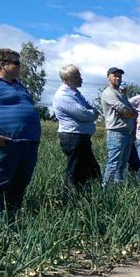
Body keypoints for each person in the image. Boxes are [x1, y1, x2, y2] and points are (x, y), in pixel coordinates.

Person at [0, 48, 41, 224]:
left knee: (20, 182)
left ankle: (12, 219)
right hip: (4, 143)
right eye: (17, 63)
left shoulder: (19, 85)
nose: (20, 66)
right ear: (3, 65)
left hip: (28, 143)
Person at [53, 64, 101, 193]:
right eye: (77, 76)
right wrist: (92, 113)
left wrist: (92, 112)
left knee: (91, 171)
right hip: (73, 137)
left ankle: (88, 196)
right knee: (75, 171)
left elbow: (90, 108)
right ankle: (69, 199)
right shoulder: (63, 95)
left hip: (80, 137)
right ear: (67, 79)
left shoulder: (76, 93)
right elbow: (85, 114)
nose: (81, 79)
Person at [100, 67, 137, 185]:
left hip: (127, 132)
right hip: (116, 132)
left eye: (119, 76)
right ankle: (106, 188)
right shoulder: (108, 93)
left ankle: (117, 187)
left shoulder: (121, 94)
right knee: (114, 162)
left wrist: (131, 113)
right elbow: (125, 111)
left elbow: (131, 110)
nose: (118, 78)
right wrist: (131, 113)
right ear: (108, 77)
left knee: (122, 163)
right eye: (115, 75)